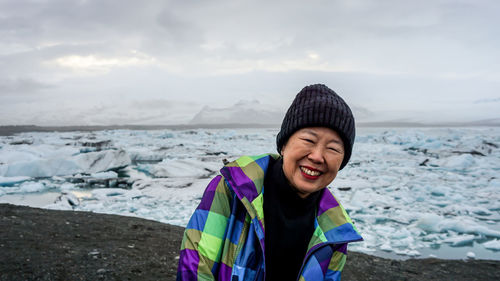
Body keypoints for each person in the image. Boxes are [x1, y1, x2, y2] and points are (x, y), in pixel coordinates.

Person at [177, 84, 362, 281]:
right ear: (284, 145)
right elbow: (195, 270)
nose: (317, 156)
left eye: (333, 149)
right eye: (308, 140)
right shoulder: (232, 190)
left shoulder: (336, 231)